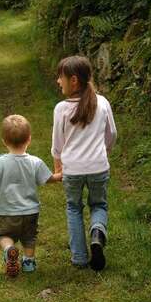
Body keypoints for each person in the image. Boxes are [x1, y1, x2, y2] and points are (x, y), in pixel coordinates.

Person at [0, 115, 61, 277]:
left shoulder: (1, 162)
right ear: (29, 139)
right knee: (29, 237)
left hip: (7, 211)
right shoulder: (35, 162)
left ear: (4, 141)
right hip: (31, 211)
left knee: (3, 235)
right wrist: (59, 175)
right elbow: (48, 179)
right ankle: (29, 262)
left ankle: (9, 249)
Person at [51, 55, 117, 271]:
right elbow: (112, 135)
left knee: (74, 208)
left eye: (60, 77)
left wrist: (58, 168)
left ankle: (79, 257)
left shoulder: (61, 108)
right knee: (99, 205)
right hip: (99, 166)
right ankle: (97, 233)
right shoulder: (103, 103)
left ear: (74, 80)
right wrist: (103, 152)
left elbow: (57, 145)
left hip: (73, 170)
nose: (58, 82)